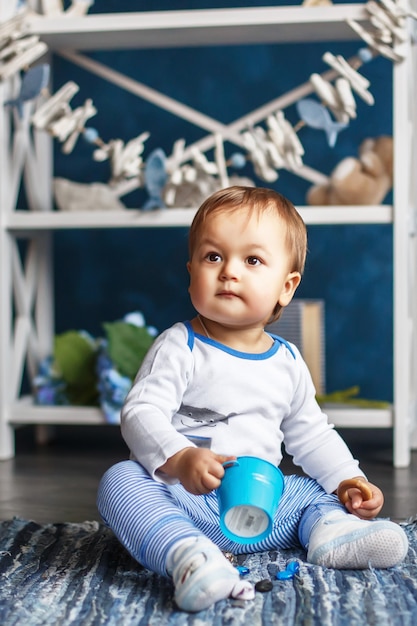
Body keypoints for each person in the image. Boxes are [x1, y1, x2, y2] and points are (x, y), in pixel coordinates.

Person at [97, 186, 408, 612]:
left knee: (313, 491)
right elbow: (140, 413)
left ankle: (332, 530)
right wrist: (181, 457)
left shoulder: (287, 361)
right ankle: (188, 556)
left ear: (286, 286)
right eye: (213, 257)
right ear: (191, 272)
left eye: (252, 260)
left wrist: (348, 481)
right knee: (121, 482)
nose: (229, 272)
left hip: (265, 509)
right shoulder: (180, 345)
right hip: (187, 501)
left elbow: (313, 436)